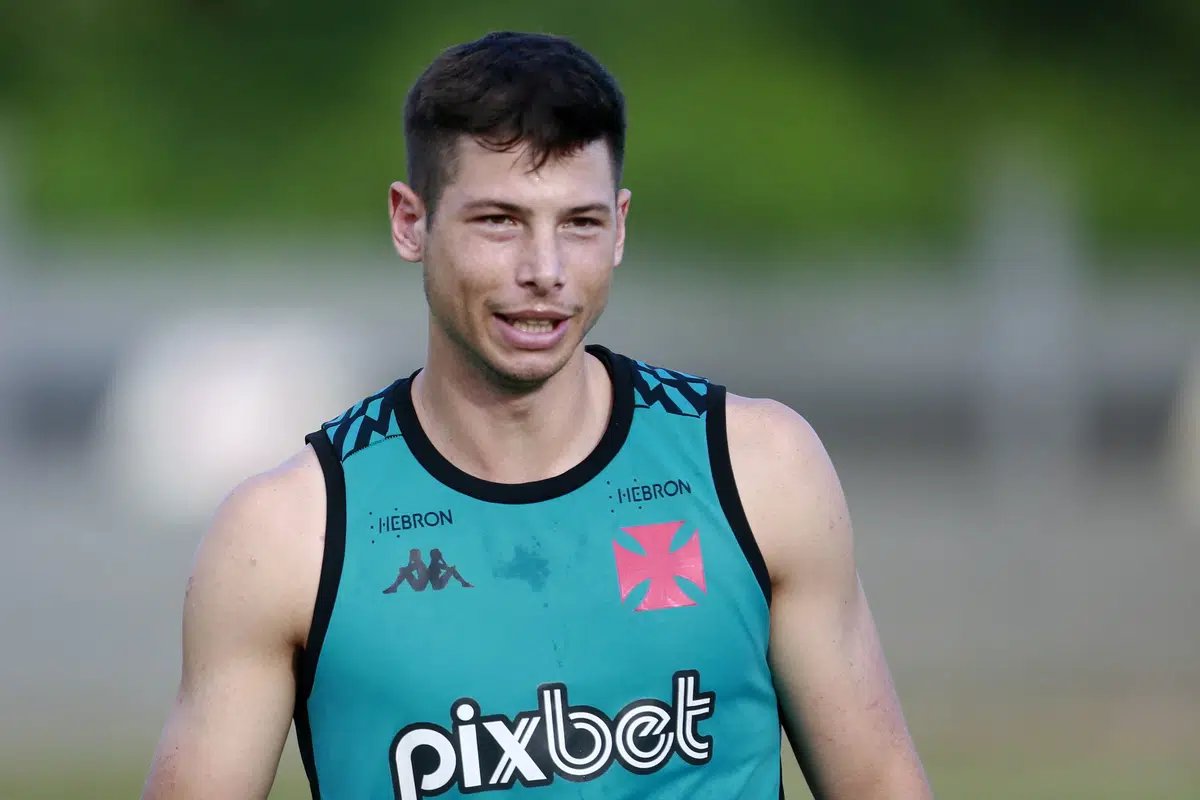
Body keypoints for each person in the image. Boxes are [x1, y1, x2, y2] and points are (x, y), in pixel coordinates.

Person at [142, 31, 932, 800]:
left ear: (620, 226)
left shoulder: (757, 469)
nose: (545, 271)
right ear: (410, 221)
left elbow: (877, 782)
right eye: (500, 221)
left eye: (580, 223)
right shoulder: (291, 534)